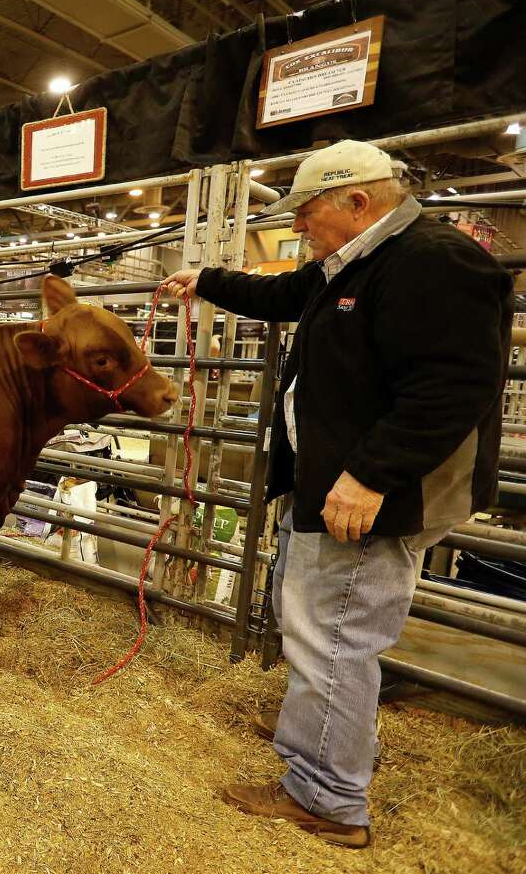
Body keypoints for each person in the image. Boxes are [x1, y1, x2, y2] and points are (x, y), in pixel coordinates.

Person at [161, 139, 512, 848]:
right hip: (332, 481)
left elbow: (454, 387)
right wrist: (205, 280)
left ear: (359, 201)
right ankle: (321, 736)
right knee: (317, 623)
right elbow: (281, 294)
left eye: (308, 211)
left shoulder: (434, 263)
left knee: (336, 635)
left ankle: (326, 795)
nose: (296, 226)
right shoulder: (349, 261)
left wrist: (370, 474)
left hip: (372, 494)